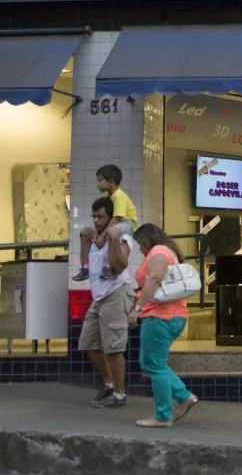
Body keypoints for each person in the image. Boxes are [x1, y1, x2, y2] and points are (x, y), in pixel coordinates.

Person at [128, 223, 199, 428]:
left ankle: (163, 416)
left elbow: (155, 278)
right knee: (149, 362)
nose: (140, 248)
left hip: (160, 317)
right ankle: (184, 396)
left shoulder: (158, 251)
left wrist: (137, 309)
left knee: (155, 365)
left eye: (140, 243)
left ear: (146, 240)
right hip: (169, 316)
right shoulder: (167, 251)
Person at [77, 197, 136, 408]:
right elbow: (85, 264)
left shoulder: (123, 237)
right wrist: (85, 242)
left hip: (116, 292)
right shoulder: (97, 239)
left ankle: (119, 395)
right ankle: (110, 385)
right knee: (88, 343)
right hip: (99, 297)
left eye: (100, 217)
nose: (96, 221)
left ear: (111, 218)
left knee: (113, 348)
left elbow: (118, 266)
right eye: (94, 216)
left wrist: (113, 239)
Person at [73, 164, 139, 282]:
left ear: (111, 182)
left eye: (100, 181)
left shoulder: (118, 196)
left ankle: (109, 267)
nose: (98, 184)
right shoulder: (108, 196)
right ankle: (86, 268)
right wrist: (96, 233)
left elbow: (117, 218)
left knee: (111, 232)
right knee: (85, 234)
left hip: (127, 223)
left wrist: (102, 236)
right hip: (117, 223)